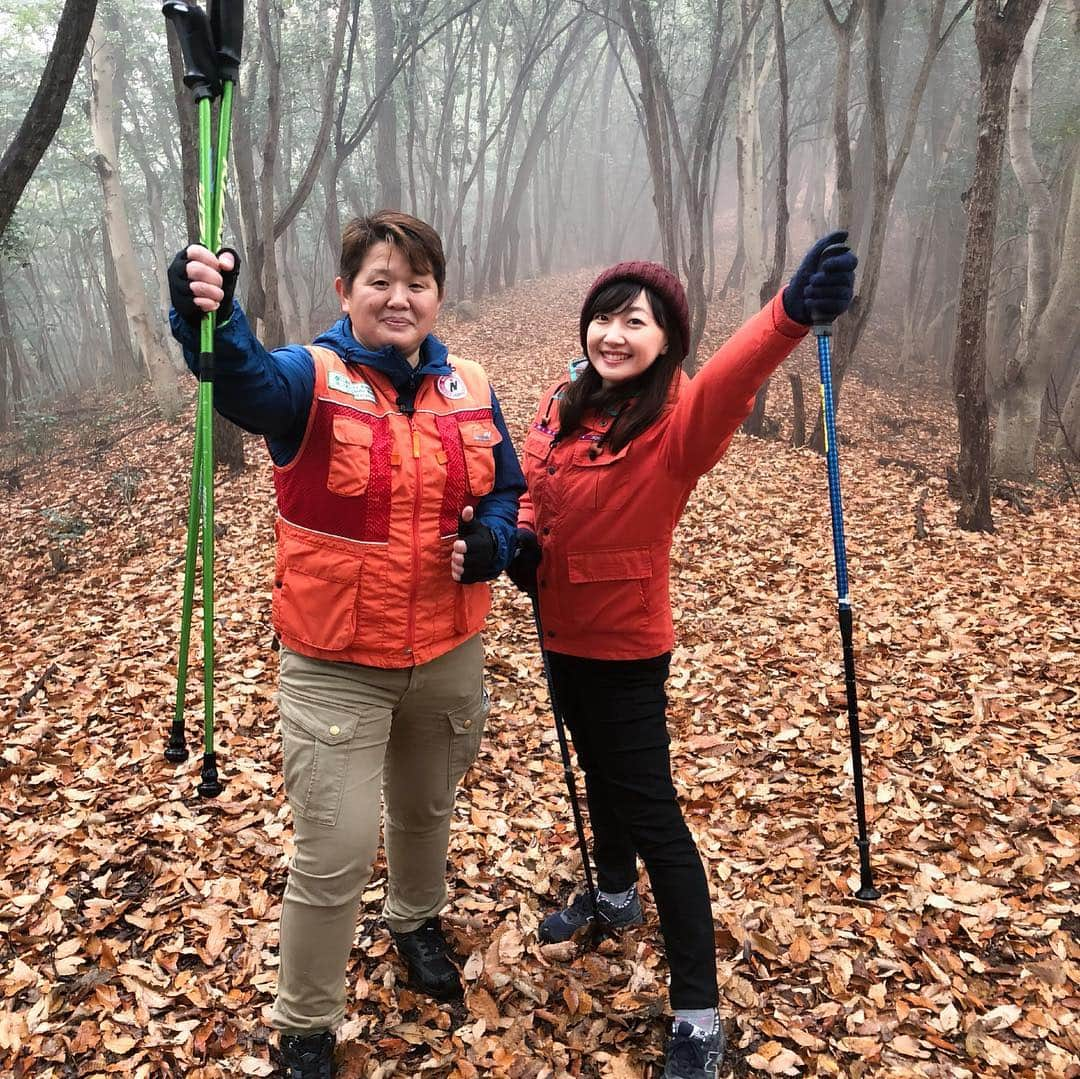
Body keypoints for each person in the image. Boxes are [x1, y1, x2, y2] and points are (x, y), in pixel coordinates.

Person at [168, 210, 525, 1079]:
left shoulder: (471, 385)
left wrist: (495, 542)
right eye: (380, 281)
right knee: (334, 848)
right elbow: (241, 380)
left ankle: (413, 919)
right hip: (335, 666)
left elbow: (508, 490)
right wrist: (205, 314)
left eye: (417, 282)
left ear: (438, 294)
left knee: (425, 810)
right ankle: (306, 1026)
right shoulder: (311, 379)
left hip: (447, 650)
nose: (399, 298)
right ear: (346, 291)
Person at [505, 232, 857, 1079]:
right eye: (604, 318)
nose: (614, 334)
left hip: (624, 647)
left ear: (667, 340)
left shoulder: (676, 425)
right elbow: (528, 482)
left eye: (637, 321)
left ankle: (697, 1008)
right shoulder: (563, 403)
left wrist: (787, 315)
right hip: (560, 633)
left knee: (654, 811)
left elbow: (734, 385)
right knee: (600, 773)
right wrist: (517, 539)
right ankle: (615, 894)